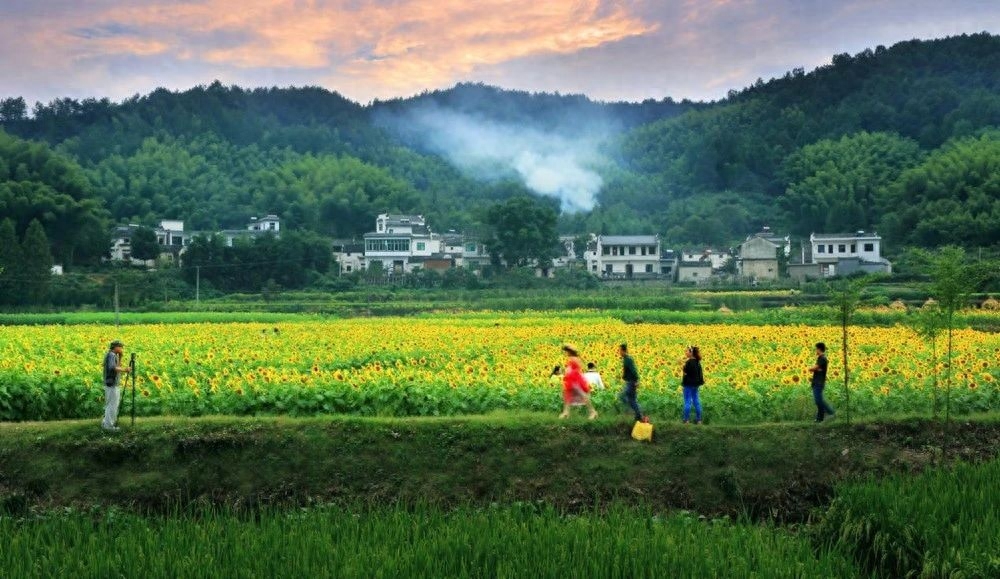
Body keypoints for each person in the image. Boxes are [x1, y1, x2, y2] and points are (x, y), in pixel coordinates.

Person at [559, 345, 598, 420]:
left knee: (582, 395)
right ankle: (566, 412)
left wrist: (571, 372)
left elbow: (580, 367)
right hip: (571, 380)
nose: (565, 353)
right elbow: (570, 368)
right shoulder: (571, 358)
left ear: (569, 352)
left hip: (575, 380)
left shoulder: (574, 359)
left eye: (566, 352)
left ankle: (592, 412)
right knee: (567, 395)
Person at [102, 340, 130, 431]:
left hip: (112, 383)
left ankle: (106, 423)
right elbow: (113, 368)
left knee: (111, 404)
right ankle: (109, 426)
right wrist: (125, 369)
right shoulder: (111, 355)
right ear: (116, 347)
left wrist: (120, 357)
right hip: (112, 383)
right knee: (112, 405)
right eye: (121, 347)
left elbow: (116, 366)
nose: (122, 349)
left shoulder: (113, 355)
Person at [808, 342, 835, 422]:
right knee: (818, 401)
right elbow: (817, 368)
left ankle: (831, 412)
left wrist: (812, 368)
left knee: (818, 400)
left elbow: (814, 368)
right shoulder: (820, 358)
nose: (815, 350)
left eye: (816, 349)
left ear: (819, 349)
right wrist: (816, 369)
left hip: (819, 383)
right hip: (816, 382)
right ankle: (819, 419)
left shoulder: (823, 358)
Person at [618, 344, 643, 422]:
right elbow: (628, 371)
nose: (619, 352)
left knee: (622, 396)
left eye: (620, 350)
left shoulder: (628, 359)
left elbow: (633, 370)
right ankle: (638, 414)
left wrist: (637, 381)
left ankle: (638, 412)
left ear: (623, 351)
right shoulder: (626, 359)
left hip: (631, 382)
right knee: (632, 399)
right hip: (629, 382)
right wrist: (623, 377)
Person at [681, 346, 704, 424]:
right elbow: (700, 374)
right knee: (696, 401)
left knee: (687, 401)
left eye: (687, 351)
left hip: (688, 385)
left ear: (691, 353)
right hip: (695, 385)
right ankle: (699, 420)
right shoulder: (697, 362)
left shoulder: (689, 362)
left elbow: (685, 373)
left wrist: (682, 365)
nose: (685, 352)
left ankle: (686, 420)